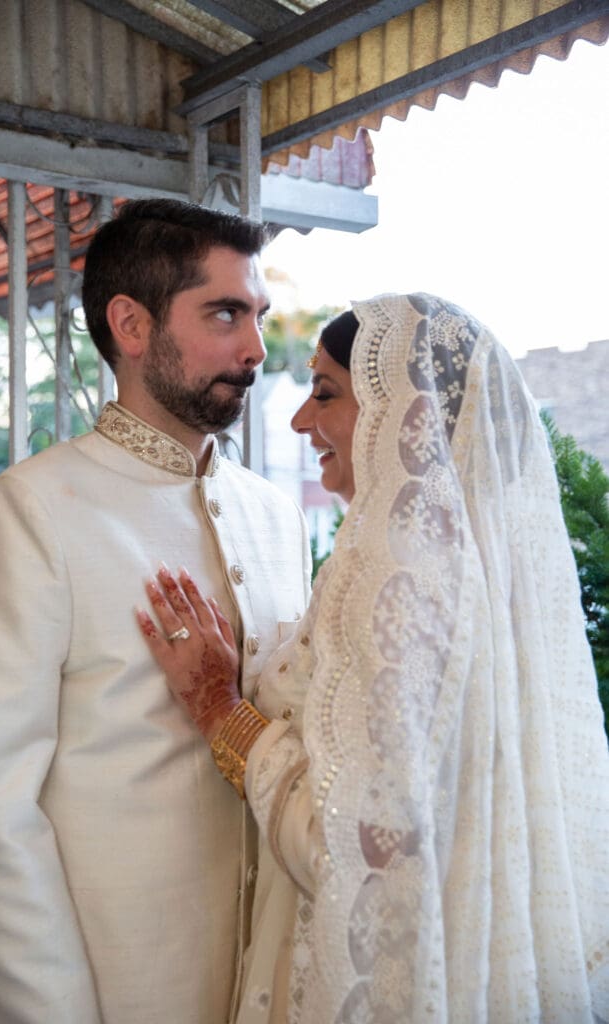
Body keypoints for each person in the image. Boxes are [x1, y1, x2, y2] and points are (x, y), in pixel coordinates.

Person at [138, 293, 609, 1023]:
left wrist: (217, 709)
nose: (299, 420)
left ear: (409, 415)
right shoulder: (484, 572)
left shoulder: (399, 575)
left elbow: (354, 851)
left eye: (324, 393)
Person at [0, 199, 312, 1024]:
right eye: (223, 313)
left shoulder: (275, 518)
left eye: (258, 316)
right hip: (123, 988)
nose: (254, 349)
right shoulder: (32, 512)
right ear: (131, 327)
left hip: (278, 985)